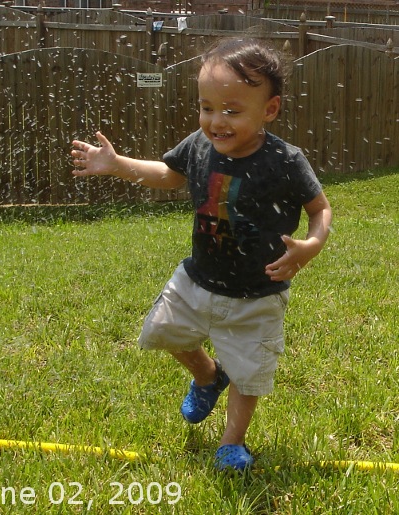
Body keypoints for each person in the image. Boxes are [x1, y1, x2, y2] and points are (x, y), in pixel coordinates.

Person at [70, 38, 332, 472]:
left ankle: (231, 443)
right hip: (197, 279)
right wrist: (119, 164)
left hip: (258, 293)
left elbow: (319, 207)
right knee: (163, 332)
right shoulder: (199, 144)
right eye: (207, 107)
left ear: (269, 109)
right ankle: (208, 376)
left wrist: (312, 245)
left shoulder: (285, 160)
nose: (216, 121)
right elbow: (169, 175)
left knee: (249, 373)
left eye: (232, 110)